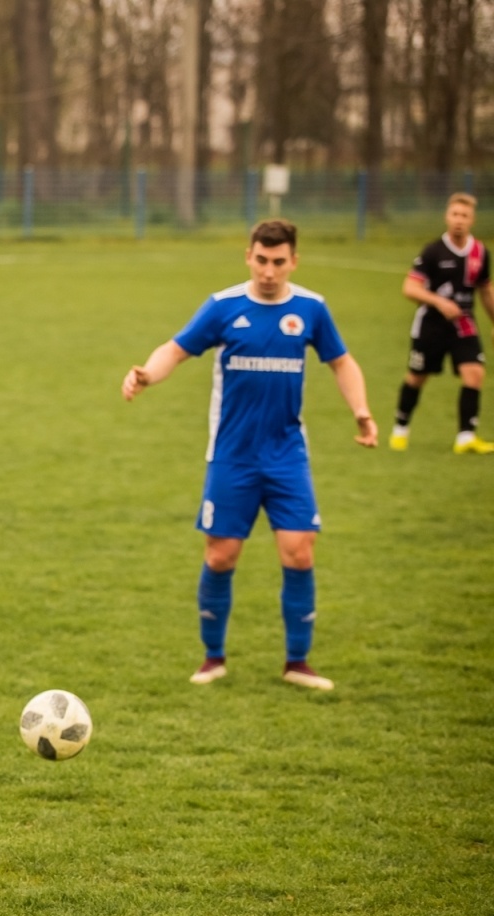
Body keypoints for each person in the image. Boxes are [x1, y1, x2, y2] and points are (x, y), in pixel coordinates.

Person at [122, 219, 377, 691]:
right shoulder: (223, 307)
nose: (269, 271)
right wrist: (146, 375)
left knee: (299, 552)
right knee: (221, 556)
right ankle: (212, 657)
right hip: (232, 457)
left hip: (287, 456)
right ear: (248, 257)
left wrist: (361, 410)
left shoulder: (311, 310)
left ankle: (297, 663)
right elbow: (175, 350)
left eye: (279, 262)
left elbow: (342, 362)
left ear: (293, 262)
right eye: (261, 260)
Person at [390, 193, 494, 454]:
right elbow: (410, 288)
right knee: (417, 377)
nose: (459, 220)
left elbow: (486, 290)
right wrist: (438, 301)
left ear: (472, 220)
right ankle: (400, 429)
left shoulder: (480, 253)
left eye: (464, 216)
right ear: (447, 217)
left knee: (475, 373)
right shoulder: (433, 251)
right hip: (431, 325)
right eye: (455, 214)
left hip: (464, 325)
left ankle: (465, 437)